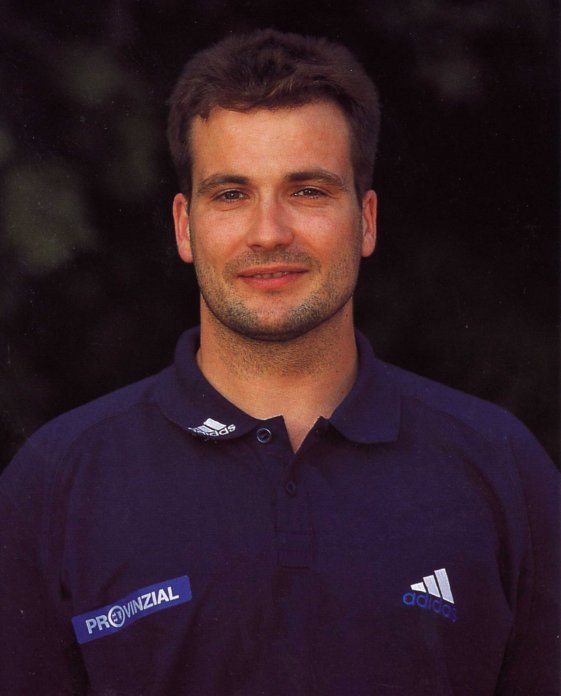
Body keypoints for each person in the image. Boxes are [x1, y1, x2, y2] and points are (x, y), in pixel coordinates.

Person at [0, 29, 558, 696]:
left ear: (366, 220)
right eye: (231, 194)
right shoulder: (57, 482)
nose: (268, 232)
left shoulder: (500, 467)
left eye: (308, 191)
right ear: (183, 226)